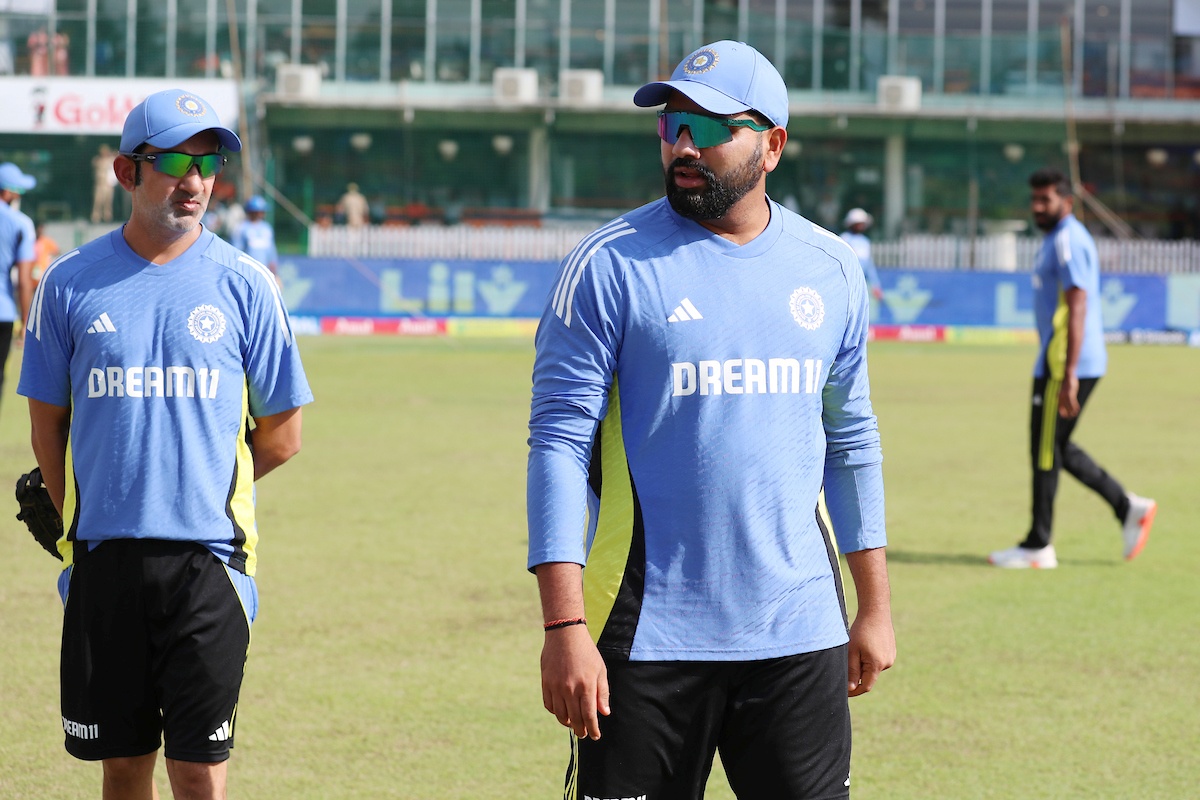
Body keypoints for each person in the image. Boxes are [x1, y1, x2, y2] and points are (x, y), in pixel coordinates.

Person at [527, 40, 895, 799]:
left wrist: (875, 608)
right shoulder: (607, 266)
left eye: (708, 125)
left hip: (799, 634)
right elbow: (559, 448)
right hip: (643, 636)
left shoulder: (830, 271)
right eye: (671, 125)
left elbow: (852, 443)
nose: (684, 144)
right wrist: (563, 630)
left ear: (773, 145)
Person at [17, 88, 313, 799]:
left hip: (209, 560)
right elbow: (46, 426)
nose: (195, 179)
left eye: (208, 161)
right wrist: (84, 519)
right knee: (122, 765)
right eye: (176, 159)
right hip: (103, 559)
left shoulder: (247, 285)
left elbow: (283, 435)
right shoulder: (68, 285)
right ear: (127, 172)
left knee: (200, 771)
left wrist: (192, 480)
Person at [988, 167, 1155, 569]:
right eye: (1034, 199)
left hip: (1065, 363)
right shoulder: (1056, 239)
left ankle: (1038, 545)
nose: (1037, 207)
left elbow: (1077, 306)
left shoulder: (1067, 241)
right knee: (1056, 446)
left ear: (1068, 201)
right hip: (1062, 359)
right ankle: (1127, 506)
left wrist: (1068, 374)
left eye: (1045, 199)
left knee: (1044, 450)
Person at [0, 161, 37, 409]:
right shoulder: (21, 223)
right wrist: (26, 322)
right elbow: (23, 280)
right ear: (8, 192)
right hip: (3, 312)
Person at [840, 207, 884, 300]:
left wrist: (876, 285)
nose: (861, 226)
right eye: (858, 224)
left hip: (859, 284)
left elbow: (869, 266)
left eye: (862, 224)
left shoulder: (865, 241)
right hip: (845, 283)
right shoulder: (844, 238)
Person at [230, 195, 278, 279]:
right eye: (259, 211)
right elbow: (236, 251)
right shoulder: (241, 228)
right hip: (247, 273)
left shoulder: (267, 228)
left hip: (264, 272)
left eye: (262, 211)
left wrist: (275, 272)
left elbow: (271, 251)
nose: (261, 214)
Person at [91, 144, 116, 224]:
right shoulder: (98, 160)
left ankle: (107, 217)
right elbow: (94, 163)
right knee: (98, 201)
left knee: (108, 202)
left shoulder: (111, 160)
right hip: (99, 184)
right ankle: (96, 217)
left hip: (108, 185)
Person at [32, 221, 60, 286]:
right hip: (31, 275)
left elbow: (57, 252)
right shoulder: (30, 240)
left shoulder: (46, 241)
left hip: (43, 274)